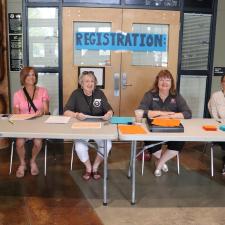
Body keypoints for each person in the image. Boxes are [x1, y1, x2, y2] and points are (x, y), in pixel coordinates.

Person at [138, 69, 192, 177]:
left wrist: (172, 115)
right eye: (162, 79)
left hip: (172, 129)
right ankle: (161, 162)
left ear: (171, 83)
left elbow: (188, 113)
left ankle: (159, 164)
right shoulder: (149, 95)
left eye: (168, 80)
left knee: (180, 141)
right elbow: (141, 111)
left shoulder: (176, 96)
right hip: (154, 130)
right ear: (157, 82)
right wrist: (159, 113)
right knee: (149, 139)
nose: (164, 83)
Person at [64, 71, 113, 180]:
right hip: (81, 127)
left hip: (99, 126)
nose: (90, 83)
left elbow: (109, 110)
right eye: (87, 81)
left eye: (92, 81)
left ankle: (95, 166)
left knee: (107, 145)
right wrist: (76, 114)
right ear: (81, 83)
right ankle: (88, 167)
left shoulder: (99, 93)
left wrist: (108, 114)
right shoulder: (76, 94)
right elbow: (66, 111)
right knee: (80, 147)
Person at [13, 67, 50, 178]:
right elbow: (15, 113)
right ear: (23, 77)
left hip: (38, 123)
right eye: (28, 75)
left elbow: (46, 110)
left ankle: (32, 161)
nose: (31, 77)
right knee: (19, 143)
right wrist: (22, 116)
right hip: (23, 124)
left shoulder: (43, 91)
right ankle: (22, 163)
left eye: (33, 75)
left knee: (38, 143)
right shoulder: (17, 94)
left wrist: (41, 112)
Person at [208, 74, 225, 175]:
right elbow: (214, 116)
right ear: (221, 83)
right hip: (220, 128)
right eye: (224, 81)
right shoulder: (216, 96)